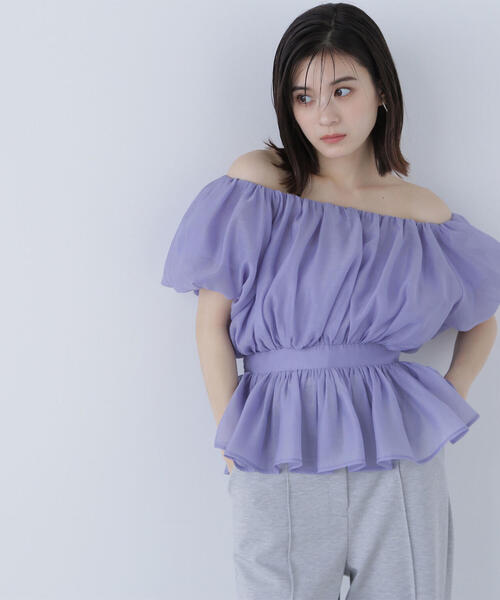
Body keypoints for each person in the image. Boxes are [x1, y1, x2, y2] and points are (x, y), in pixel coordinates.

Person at [160, 3, 500, 599]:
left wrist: (452, 392)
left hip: (396, 449)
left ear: (381, 91)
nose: (325, 115)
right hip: (277, 443)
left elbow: (483, 312)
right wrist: (232, 441)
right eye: (304, 97)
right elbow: (212, 324)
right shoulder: (260, 183)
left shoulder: (421, 212)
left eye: (343, 90)